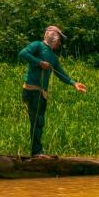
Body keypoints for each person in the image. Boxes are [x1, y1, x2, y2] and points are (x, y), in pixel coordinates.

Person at [18, 25, 86, 158]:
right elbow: (22, 54)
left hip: (41, 93)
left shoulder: (53, 57)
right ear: (53, 39)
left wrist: (74, 83)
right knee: (37, 121)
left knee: (39, 122)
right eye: (59, 40)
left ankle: (36, 152)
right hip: (32, 91)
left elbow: (61, 73)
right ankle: (36, 152)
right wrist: (39, 62)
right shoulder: (37, 45)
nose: (60, 43)